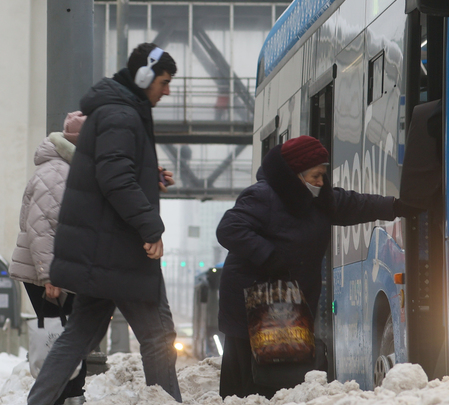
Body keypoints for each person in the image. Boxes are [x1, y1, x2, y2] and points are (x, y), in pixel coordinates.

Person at [27, 42, 181, 404]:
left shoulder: (117, 111)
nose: (168, 90)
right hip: (119, 251)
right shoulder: (122, 115)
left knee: (77, 336)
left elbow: (111, 169)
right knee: (158, 337)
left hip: (102, 251)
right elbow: (115, 178)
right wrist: (150, 227)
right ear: (145, 77)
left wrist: (150, 176)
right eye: (164, 81)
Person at [215, 135, 418, 399]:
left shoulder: (319, 199)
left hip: (288, 303)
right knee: (244, 376)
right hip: (251, 304)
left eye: (323, 175)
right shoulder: (263, 195)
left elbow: (355, 204)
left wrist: (396, 207)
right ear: (295, 174)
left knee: (281, 374)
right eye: (315, 176)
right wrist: (269, 257)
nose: (321, 182)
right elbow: (229, 228)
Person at [9, 112, 88, 405]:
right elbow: (40, 226)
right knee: (62, 341)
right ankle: (60, 398)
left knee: (65, 339)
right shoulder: (57, 172)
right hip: (49, 274)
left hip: (55, 271)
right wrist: (50, 276)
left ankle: (66, 397)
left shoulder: (67, 169)